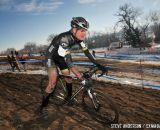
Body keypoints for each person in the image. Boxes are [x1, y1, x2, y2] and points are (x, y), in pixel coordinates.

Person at [39, 17, 105, 114]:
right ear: (74, 29)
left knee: (69, 78)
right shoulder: (64, 39)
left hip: (62, 55)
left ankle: (68, 98)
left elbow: (87, 52)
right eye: (82, 30)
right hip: (51, 57)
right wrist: (80, 76)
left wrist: (98, 64)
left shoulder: (79, 39)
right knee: (52, 83)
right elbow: (69, 63)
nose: (84, 33)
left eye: (85, 31)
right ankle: (43, 106)